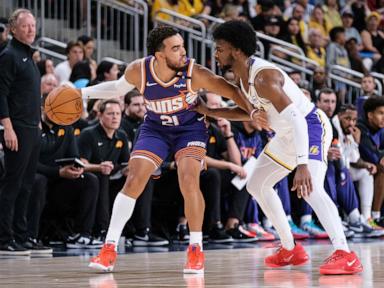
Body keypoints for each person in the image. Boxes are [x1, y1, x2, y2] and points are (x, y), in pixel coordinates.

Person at [71, 25, 266, 273]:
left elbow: (231, 90)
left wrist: (253, 111)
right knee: (134, 178)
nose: (183, 52)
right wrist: (80, 93)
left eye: (182, 46)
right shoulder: (139, 70)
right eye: (176, 48)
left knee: (188, 179)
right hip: (155, 129)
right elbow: (116, 89)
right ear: (159, 54)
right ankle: (109, 248)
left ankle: (195, 249)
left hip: (189, 130)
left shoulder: (194, 72)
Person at [197, 20, 362, 275]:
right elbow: (246, 111)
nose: (216, 53)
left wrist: (303, 164)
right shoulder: (242, 78)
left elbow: (296, 117)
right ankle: (290, 248)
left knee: (310, 188)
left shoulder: (263, 77)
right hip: (286, 134)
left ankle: (346, 254)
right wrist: (209, 110)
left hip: (310, 126)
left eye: (220, 48)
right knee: (256, 184)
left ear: (236, 50)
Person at [0, 9, 42, 255]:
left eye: (33, 25)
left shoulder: (29, 56)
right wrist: (8, 127)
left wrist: (37, 121)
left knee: (27, 184)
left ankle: (21, 234)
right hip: (16, 128)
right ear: (13, 29)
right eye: (25, 26)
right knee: (12, 184)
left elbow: (28, 94)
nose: (30, 29)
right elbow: (1, 94)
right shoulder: (8, 55)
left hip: (31, 128)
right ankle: (4, 238)